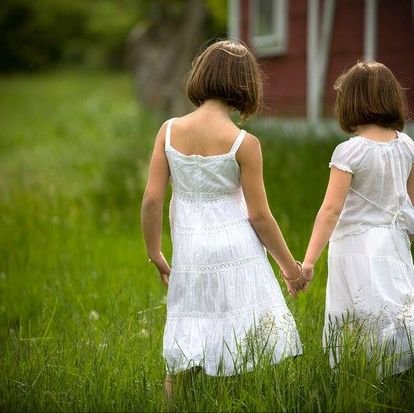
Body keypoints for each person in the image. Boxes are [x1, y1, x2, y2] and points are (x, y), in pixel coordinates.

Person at [141, 39, 304, 398]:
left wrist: (155, 253)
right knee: (239, 333)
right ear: (247, 86)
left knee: (186, 340)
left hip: (191, 253)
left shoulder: (168, 132)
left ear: (202, 75)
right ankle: (238, 400)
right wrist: (290, 269)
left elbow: (152, 199)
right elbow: (260, 216)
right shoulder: (244, 143)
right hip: (236, 250)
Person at [301, 61, 414, 375]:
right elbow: (410, 202)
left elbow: (330, 210)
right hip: (393, 243)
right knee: (395, 306)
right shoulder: (407, 146)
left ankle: (359, 375)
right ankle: (397, 371)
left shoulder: (349, 152)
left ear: (349, 102)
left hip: (354, 246)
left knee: (356, 313)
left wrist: (309, 261)